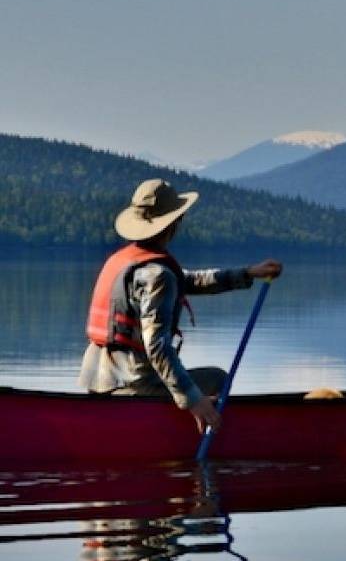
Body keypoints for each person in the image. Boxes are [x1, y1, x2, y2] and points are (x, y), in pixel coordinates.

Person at [79, 179, 282, 432]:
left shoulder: (124, 262)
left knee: (190, 380)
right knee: (217, 379)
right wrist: (193, 398)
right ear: (174, 224)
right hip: (132, 387)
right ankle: (196, 437)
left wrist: (249, 273)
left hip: (96, 382)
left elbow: (189, 280)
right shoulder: (158, 275)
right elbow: (158, 347)